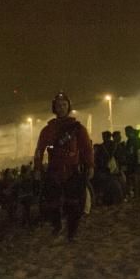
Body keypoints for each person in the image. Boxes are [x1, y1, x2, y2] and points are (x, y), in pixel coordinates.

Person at [34, 92, 94, 241]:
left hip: (73, 171)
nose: (61, 108)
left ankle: (71, 233)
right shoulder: (48, 130)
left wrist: (90, 165)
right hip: (54, 171)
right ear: (54, 108)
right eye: (58, 105)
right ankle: (57, 226)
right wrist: (37, 168)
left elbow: (87, 148)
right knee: (51, 203)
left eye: (64, 105)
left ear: (68, 107)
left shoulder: (77, 128)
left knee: (74, 204)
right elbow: (39, 150)